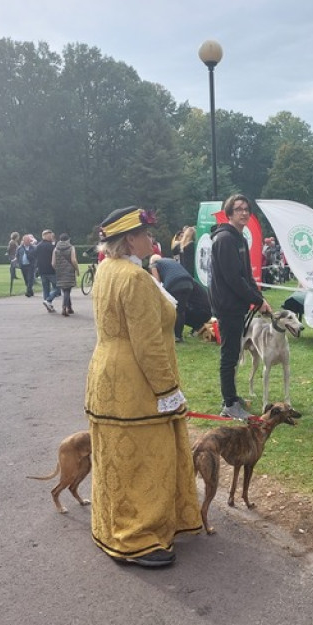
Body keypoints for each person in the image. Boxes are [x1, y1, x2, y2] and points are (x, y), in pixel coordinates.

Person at [84, 205, 202, 568]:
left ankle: (112, 528)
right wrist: (168, 392)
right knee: (144, 459)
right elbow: (147, 345)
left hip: (105, 374)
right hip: (134, 383)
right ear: (130, 239)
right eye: (147, 234)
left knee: (118, 459)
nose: (152, 240)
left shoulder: (107, 269)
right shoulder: (133, 278)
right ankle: (137, 539)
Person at [209, 194, 272, 420]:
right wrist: (256, 300)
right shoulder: (225, 239)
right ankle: (229, 404)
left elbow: (246, 275)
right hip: (227, 306)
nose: (244, 212)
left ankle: (232, 397)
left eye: (246, 209)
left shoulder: (240, 239)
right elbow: (234, 279)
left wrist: (259, 297)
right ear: (229, 213)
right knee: (230, 355)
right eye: (238, 209)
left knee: (233, 353)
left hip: (237, 305)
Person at [150, 253, 212, 340]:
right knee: (181, 309)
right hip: (188, 281)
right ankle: (180, 334)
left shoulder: (154, 264)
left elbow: (157, 283)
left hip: (173, 283)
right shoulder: (170, 261)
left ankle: (176, 335)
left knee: (174, 309)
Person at [52, 232, 80, 317]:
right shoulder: (71, 247)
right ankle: (65, 307)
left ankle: (70, 308)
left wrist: (57, 269)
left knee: (65, 290)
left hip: (60, 271)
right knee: (67, 290)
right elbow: (73, 260)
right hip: (69, 271)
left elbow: (53, 263)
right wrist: (77, 270)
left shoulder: (56, 248)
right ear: (68, 239)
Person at [35, 229, 61, 312]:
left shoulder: (38, 246)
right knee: (58, 287)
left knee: (46, 289)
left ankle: (48, 304)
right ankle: (48, 300)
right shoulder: (51, 246)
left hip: (42, 270)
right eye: (50, 235)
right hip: (51, 270)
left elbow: (34, 256)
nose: (51, 237)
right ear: (45, 236)